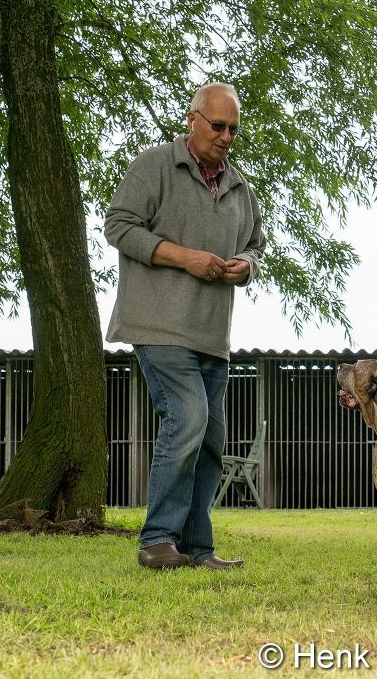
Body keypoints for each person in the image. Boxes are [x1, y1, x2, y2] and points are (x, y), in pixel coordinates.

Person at [104, 82, 266, 569]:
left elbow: (256, 246)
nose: (225, 136)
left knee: (211, 439)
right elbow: (118, 226)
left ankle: (198, 548)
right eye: (217, 125)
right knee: (188, 419)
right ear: (192, 118)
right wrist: (185, 257)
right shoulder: (154, 165)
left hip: (213, 335)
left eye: (233, 129)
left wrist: (246, 266)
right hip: (159, 326)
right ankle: (157, 540)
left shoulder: (241, 188)